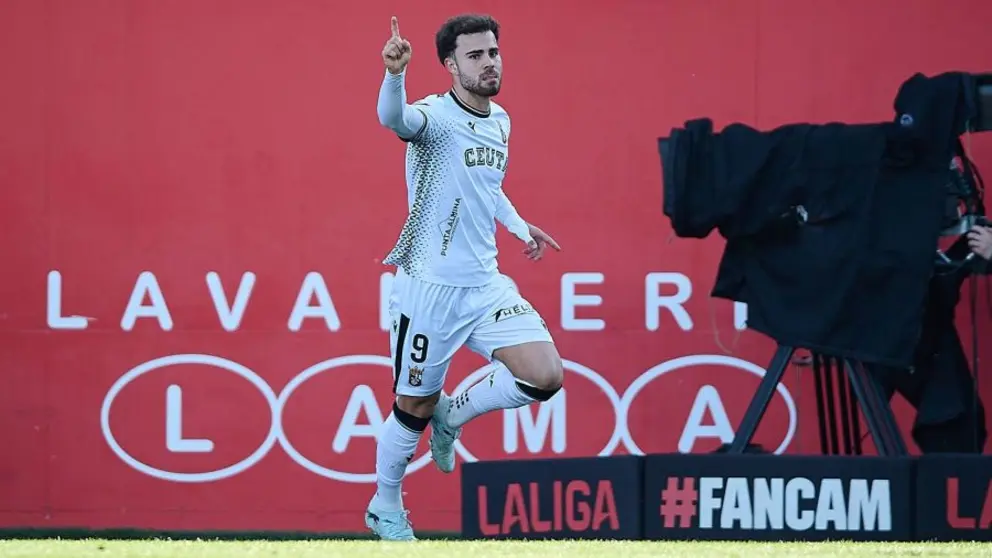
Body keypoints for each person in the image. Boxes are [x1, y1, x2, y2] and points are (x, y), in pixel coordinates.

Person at [367, 13, 564, 540]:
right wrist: (394, 74)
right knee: (412, 407)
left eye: (493, 52)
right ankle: (385, 506)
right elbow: (395, 120)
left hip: (485, 284)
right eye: (475, 56)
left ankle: (452, 419)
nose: (489, 63)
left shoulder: (500, 120)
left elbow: (488, 185)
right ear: (451, 65)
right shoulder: (433, 116)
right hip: (428, 289)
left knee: (544, 376)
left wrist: (521, 227)